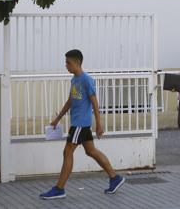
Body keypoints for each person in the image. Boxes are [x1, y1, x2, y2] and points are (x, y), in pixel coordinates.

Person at [40, 49, 125, 200]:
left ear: (77, 63)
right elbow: (71, 100)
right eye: (66, 62)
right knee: (91, 151)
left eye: (68, 63)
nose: (66, 65)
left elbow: (94, 102)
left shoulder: (86, 80)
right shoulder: (74, 79)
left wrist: (99, 124)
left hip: (80, 124)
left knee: (67, 152)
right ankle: (115, 178)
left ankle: (59, 189)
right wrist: (58, 118)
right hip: (78, 123)